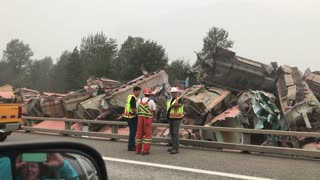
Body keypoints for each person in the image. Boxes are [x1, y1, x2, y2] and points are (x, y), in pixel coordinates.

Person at [136, 87, 156, 155]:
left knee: (139, 134)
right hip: (147, 119)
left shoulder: (139, 100)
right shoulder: (151, 101)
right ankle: (145, 150)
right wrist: (154, 117)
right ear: (150, 94)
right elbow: (154, 111)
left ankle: (138, 150)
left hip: (140, 118)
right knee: (148, 135)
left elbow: (137, 109)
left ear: (144, 93)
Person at [123, 86, 141, 151]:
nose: (139, 93)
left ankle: (132, 144)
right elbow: (133, 108)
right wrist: (137, 115)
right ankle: (131, 146)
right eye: (138, 92)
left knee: (132, 131)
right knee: (133, 132)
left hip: (127, 116)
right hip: (132, 116)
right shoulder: (133, 98)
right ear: (135, 91)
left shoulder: (129, 96)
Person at [167, 87, 184, 154]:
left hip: (176, 118)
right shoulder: (170, 99)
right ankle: (173, 147)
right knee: (172, 133)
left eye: (174, 93)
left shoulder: (179, 99)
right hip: (170, 118)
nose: (173, 94)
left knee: (175, 133)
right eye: (172, 93)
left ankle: (176, 148)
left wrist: (173, 105)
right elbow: (169, 108)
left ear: (177, 93)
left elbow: (179, 105)